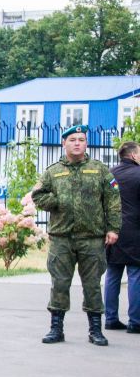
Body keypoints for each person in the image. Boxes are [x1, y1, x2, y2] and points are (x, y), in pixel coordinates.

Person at [32, 124, 121, 346]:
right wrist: (54, 202)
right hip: (62, 238)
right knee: (59, 283)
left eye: (81, 139)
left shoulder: (99, 170)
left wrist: (113, 228)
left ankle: (95, 330)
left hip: (91, 238)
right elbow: (37, 195)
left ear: (86, 143)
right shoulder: (53, 172)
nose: (77, 143)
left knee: (92, 284)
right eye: (73, 140)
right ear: (64, 143)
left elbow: (113, 200)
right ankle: (56, 329)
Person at [104, 141, 140, 334]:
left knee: (112, 274)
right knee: (135, 275)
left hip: (112, 232)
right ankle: (135, 321)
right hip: (135, 232)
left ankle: (110, 319)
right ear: (133, 155)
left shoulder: (109, 175)